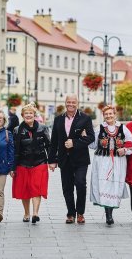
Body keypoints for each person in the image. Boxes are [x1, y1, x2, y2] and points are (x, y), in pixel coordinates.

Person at [48, 94, 95, 224]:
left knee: (80, 184)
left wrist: (74, 142)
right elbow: (54, 142)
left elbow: (91, 137)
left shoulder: (85, 118)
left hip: (80, 159)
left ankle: (80, 213)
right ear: (65, 103)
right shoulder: (58, 119)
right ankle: (70, 213)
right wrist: (52, 160)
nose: (71, 104)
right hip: (64, 159)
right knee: (67, 187)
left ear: (77, 103)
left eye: (73, 102)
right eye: (69, 102)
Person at [89, 105, 132, 225]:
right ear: (103, 116)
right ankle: (108, 215)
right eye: (106, 114)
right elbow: (93, 145)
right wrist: (85, 136)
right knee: (104, 185)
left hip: (118, 162)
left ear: (115, 115)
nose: (109, 116)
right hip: (102, 161)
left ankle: (110, 213)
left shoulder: (123, 129)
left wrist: (124, 149)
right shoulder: (99, 129)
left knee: (114, 187)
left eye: (111, 114)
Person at [11, 103, 51, 224]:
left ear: (34, 115)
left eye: (31, 113)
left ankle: (35, 213)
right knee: (25, 190)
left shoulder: (43, 128)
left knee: (36, 188)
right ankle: (27, 213)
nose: (28, 115)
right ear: (23, 116)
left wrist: (52, 161)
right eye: (26, 113)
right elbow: (13, 150)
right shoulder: (17, 130)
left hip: (40, 162)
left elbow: (49, 145)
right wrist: (12, 167)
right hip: (22, 163)